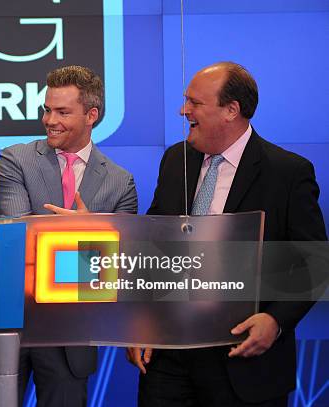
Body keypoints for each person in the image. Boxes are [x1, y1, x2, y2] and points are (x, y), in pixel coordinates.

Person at [128, 62, 327, 406]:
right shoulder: (176, 159)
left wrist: (276, 321)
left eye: (194, 103)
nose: (183, 110)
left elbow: (316, 264)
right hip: (168, 360)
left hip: (244, 361)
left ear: (231, 110)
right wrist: (141, 323)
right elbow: (155, 246)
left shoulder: (287, 173)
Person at [0, 65, 138, 406]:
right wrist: (89, 237)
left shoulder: (121, 182)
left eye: (62, 112)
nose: (49, 119)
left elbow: (119, 266)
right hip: (13, 319)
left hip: (73, 331)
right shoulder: (16, 159)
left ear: (91, 115)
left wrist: (92, 233)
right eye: (47, 109)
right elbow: (15, 238)